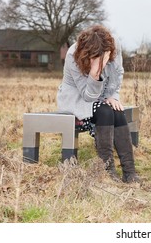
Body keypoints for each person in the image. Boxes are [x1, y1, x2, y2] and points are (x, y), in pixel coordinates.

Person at [57, 24, 140, 183]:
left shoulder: (113, 46)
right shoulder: (72, 55)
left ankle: (130, 172)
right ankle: (107, 170)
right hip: (77, 100)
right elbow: (87, 96)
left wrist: (112, 96)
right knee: (105, 111)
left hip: (101, 97)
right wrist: (95, 72)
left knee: (116, 110)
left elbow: (117, 74)